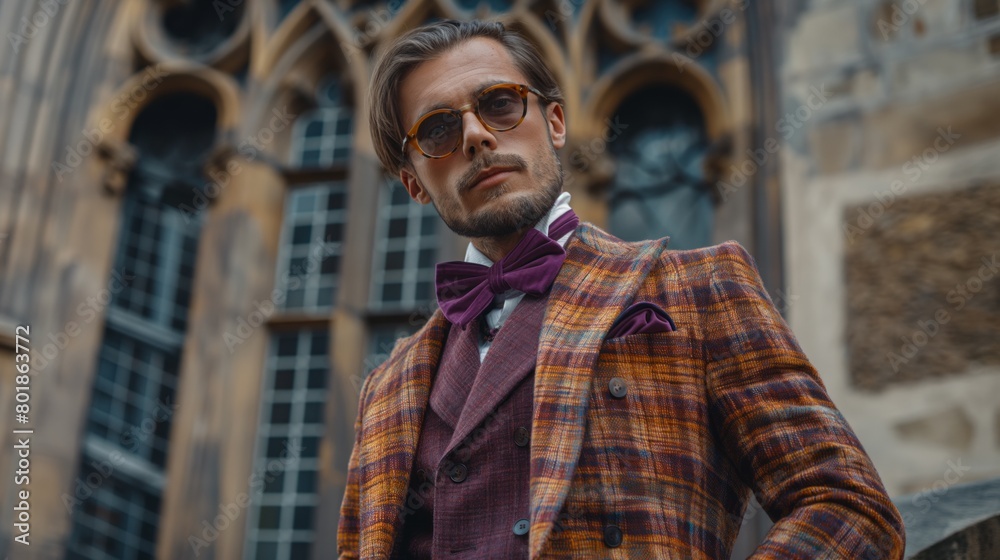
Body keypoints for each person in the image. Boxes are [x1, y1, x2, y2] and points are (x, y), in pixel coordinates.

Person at [338, 19, 905, 559]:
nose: (477, 135)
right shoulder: (384, 388)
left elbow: (848, 508)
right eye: (438, 128)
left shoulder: (702, 289)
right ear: (413, 182)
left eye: (501, 104)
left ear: (555, 122)